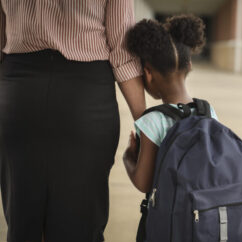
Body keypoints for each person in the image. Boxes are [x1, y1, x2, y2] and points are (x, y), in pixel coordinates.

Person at [0, 1, 145, 241]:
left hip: (19, 96)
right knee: (80, 221)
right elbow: (122, 50)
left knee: (22, 218)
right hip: (85, 98)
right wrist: (145, 126)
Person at [122, 15, 217, 193]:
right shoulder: (207, 111)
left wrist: (128, 157)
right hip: (207, 213)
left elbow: (143, 183)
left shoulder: (153, 121)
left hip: (170, 218)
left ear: (148, 73)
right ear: (188, 66)